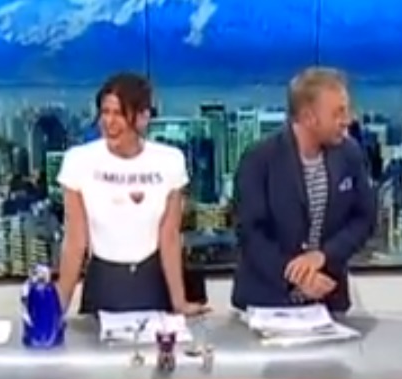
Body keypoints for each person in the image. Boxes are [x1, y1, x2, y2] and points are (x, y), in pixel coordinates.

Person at [54, 72, 204, 317]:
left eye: (119, 114)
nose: (109, 122)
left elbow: (169, 238)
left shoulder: (169, 161)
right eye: (105, 112)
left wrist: (180, 302)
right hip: (103, 284)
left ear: (144, 117)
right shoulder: (78, 161)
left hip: (152, 283)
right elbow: (75, 241)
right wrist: (57, 309)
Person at [231, 67, 376, 312]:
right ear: (309, 117)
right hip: (267, 301)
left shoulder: (349, 154)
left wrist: (324, 256)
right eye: (338, 112)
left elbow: (364, 219)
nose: (348, 120)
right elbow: (251, 233)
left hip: (328, 301)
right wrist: (295, 276)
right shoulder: (259, 159)